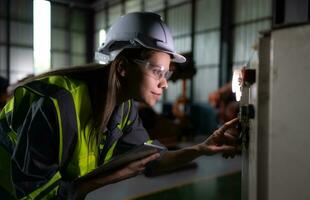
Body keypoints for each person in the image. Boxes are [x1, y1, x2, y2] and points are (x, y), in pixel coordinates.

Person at [0, 12, 240, 200]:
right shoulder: (56, 106)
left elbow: (153, 159)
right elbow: (34, 194)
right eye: (157, 71)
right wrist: (105, 178)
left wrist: (202, 148)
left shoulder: (123, 110)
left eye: (167, 73)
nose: (165, 83)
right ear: (123, 67)